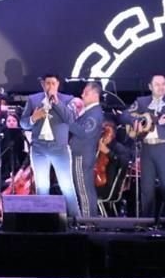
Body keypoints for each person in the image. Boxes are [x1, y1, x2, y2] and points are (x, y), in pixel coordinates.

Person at [121, 74, 165, 217]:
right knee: (146, 188)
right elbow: (123, 115)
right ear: (150, 87)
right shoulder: (142, 102)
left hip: (164, 148)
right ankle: (147, 220)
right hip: (146, 148)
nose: (161, 87)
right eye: (157, 84)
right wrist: (137, 119)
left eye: (163, 84)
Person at [20, 73, 79, 218]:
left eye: (53, 83)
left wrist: (57, 102)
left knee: (67, 186)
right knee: (42, 186)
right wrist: (34, 118)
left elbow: (70, 120)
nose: (50, 86)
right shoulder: (33, 100)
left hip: (60, 148)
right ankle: (43, 219)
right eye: (47, 83)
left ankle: (77, 220)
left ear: (58, 85)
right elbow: (23, 123)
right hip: (39, 149)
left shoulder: (67, 99)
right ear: (43, 85)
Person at [69, 81, 105, 217]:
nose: (82, 95)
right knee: (86, 189)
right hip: (83, 155)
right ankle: (90, 220)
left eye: (86, 93)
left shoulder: (94, 114)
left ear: (95, 95)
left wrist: (67, 120)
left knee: (83, 190)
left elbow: (83, 132)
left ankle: (87, 222)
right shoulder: (90, 112)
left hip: (82, 155)